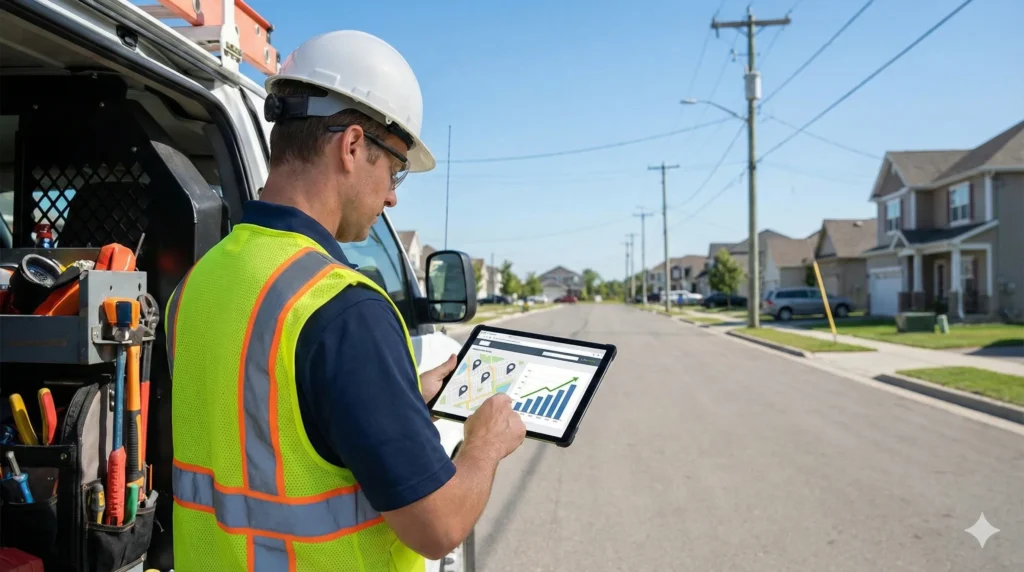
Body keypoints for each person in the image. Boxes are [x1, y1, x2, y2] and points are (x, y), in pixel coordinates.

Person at [165, 30, 526, 571]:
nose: (392, 195)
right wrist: (485, 442)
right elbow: (438, 526)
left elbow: (263, 426)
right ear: (352, 146)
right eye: (395, 168)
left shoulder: (198, 283)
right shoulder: (343, 307)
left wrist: (402, 395)